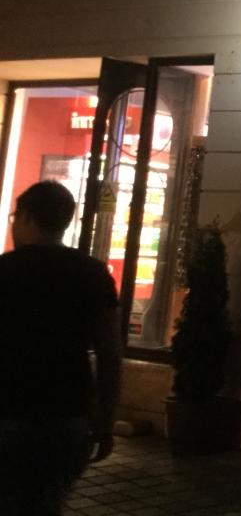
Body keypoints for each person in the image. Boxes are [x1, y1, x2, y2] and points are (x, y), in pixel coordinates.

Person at [0, 181, 122, 515]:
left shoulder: (5, 271)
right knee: (48, 503)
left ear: (26, 217)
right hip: (68, 413)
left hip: (9, 408)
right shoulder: (93, 274)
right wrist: (106, 417)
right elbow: (110, 351)